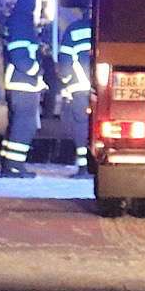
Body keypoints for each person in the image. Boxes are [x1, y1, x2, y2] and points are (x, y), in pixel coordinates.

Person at [0, 0, 47, 177]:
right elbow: (20, 57)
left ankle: (9, 164)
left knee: (17, 124)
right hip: (23, 82)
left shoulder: (18, 19)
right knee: (24, 125)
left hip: (19, 82)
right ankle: (14, 166)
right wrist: (36, 70)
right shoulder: (22, 21)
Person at [56, 15, 95, 178]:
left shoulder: (74, 29)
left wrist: (65, 80)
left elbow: (65, 61)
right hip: (104, 89)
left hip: (79, 87)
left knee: (81, 126)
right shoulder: (108, 25)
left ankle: (83, 167)